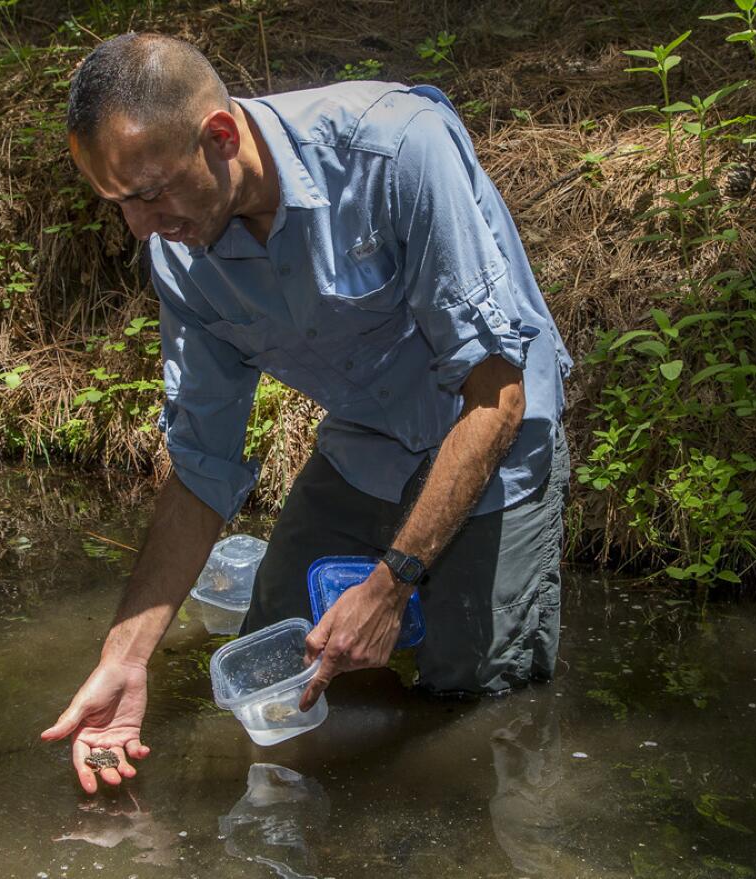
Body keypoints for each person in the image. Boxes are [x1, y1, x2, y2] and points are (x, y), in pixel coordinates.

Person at [41, 33, 572, 795]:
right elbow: (202, 468)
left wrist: (392, 584)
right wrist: (124, 658)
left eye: (152, 193)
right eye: (119, 204)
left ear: (220, 138)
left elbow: (498, 393)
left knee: (475, 705)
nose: (140, 227)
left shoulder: (394, 152)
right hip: (369, 435)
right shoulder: (180, 254)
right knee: (271, 658)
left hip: (493, 427)